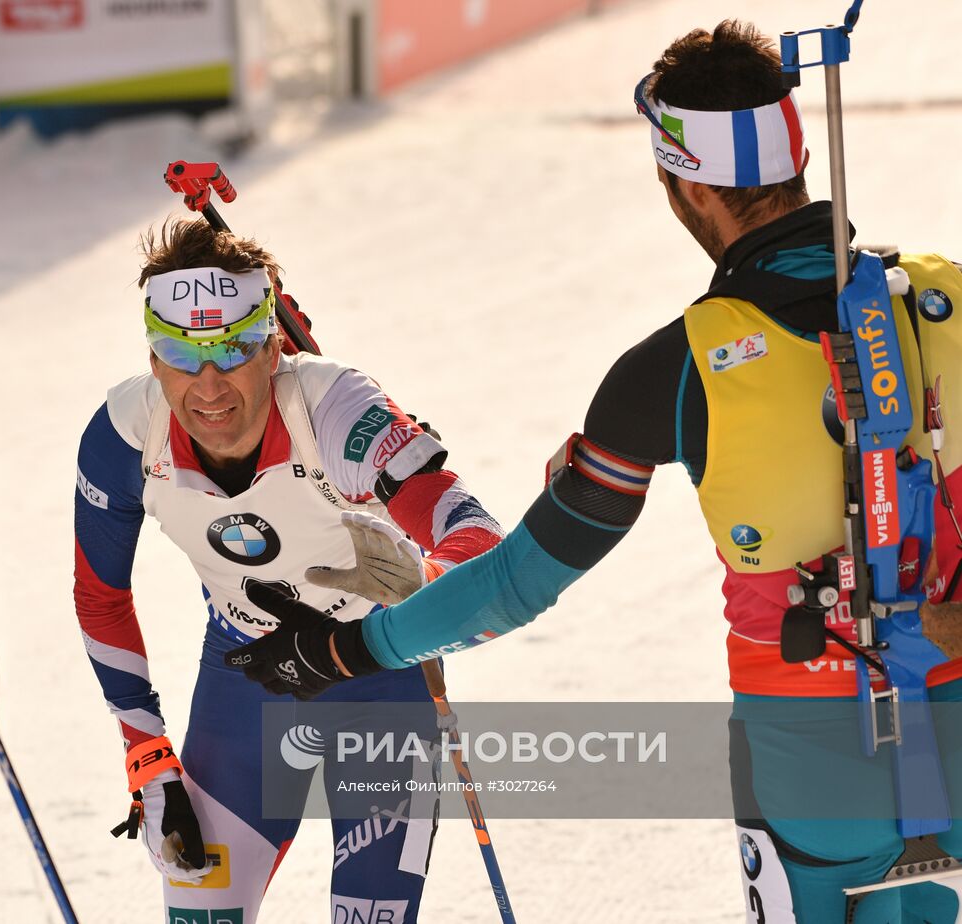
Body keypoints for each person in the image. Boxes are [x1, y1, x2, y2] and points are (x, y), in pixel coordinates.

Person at [226, 21, 962, 923]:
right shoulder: (948, 295)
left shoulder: (677, 369)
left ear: (683, 181)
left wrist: (345, 649)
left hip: (810, 753)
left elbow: (516, 584)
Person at [73, 218, 504, 922]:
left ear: (274, 347)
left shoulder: (336, 410)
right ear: (153, 359)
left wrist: (424, 586)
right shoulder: (125, 433)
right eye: (181, 355)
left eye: (235, 349)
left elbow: (485, 551)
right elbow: (100, 597)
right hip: (244, 686)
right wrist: (147, 753)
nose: (208, 387)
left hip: (379, 681)